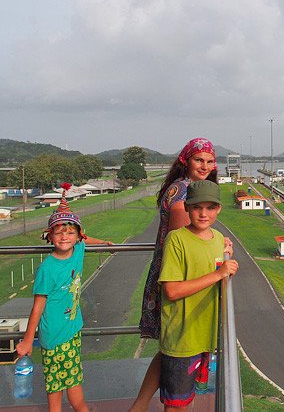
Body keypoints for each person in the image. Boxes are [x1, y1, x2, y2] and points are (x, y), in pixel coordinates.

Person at [132, 138, 232, 411]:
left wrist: (219, 243)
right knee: (174, 349)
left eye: (210, 161)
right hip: (177, 277)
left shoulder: (183, 188)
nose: (205, 166)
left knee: (168, 351)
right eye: (199, 160)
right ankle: (141, 405)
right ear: (185, 160)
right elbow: (186, 240)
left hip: (170, 273)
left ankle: (139, 406)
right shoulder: (183, 196)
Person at [16, 183, 113, 412]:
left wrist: (105, 244)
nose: (65, 237)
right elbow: (37, 308)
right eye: (58, 232)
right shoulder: (47, 269)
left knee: (66, 383)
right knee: (61, 390)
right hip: (55, 337)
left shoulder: (77, 249)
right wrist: (29, 340)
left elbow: (85, 240)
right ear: (49, 236)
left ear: (78, 235)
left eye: (70, 232)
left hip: (72, 330)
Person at [159, 180, 238, 410]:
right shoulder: (176, 239)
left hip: (204, 337)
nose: (203, 213)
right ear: (186, 208)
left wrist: (226, 268)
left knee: (188, 400)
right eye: (196, 207)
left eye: (210, 207)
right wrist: (219, 274)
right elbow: (172, 291)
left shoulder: (218, 239)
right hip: (181, 339)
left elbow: (213, 266)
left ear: (219, 209)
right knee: (176, 405)